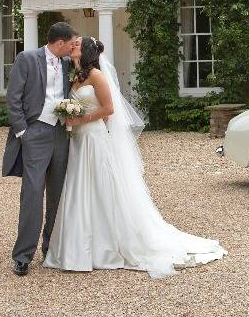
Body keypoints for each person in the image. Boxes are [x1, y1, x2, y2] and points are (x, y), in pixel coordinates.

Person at [43, 36, 226, 278]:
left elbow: (109, 109)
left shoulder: (97, 75)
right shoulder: (76, 76)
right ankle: (78, 246)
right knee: (80, 188)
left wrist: (81, 119)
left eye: (77, 44)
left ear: (86, 50)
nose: (72, 46)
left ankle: (106, 245)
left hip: (94, 138)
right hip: (78, 140)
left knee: (100, 188)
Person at [3, 22, 79, 276]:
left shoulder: (68, 63)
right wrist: (24, 132)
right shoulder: (27, 58)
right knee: (33, 194)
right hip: (35, 133)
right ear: (59, 42)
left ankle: (51, 249)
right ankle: (23, 255)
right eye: (70, 44)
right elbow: (13, 99)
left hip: (60, 133)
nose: (72, 48)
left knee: (57, 194)